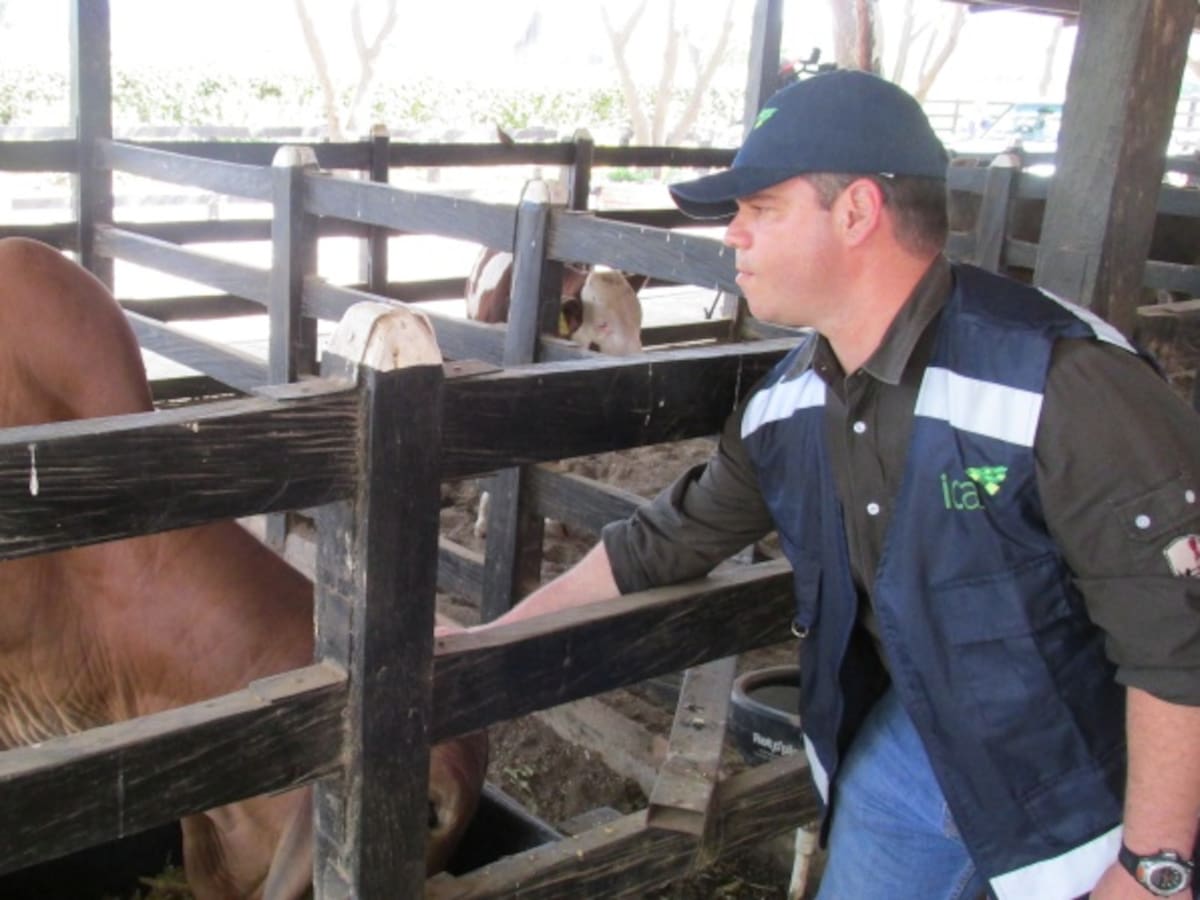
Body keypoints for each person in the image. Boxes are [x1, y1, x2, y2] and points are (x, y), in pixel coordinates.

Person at [479, 70, 1200, 900]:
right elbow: (660, 545)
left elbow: (1175, 641)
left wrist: (1153, 870)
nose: (734, 238)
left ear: (856, 212)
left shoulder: (1059, 385)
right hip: (909, 752)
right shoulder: (788, 409)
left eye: (760, 209)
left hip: (1088, 782)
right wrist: (488, 641)